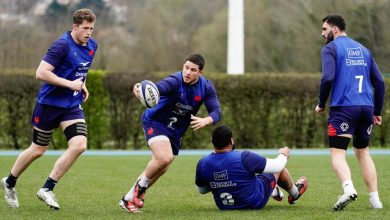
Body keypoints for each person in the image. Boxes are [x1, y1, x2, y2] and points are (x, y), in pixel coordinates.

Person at [1, 8, 97, 210]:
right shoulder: (61, 45)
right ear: (75, 27)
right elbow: (41, 73)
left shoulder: (92, 46)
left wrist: (82, 84)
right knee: (38, 150)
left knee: (79, 145)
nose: (89, 32)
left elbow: (80, 70)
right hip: (49, 105)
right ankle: (9, 182)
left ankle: (47, 188)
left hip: (71, 106)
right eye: (85, 28)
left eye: (92, 28)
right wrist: (70, 84)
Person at [119, 53, 222, 213]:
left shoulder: (206, 87)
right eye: (186, 67)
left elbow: (216, 111)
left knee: (163, 166)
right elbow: (156, 89)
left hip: (176, 130)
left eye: (193, 70)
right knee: (164, 157)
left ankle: (128, 197)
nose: (187, 72)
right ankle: (140, 189)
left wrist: (206, 120)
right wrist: (141, 88)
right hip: (156, 121)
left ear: (200, 72)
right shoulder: (175, 81)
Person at [315, 15, 385, 211]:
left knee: (338, 153)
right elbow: (379, 82)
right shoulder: (364, 50)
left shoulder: (331, 49)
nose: (322, 33)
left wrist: (321, 103)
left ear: (335, 29)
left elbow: (327, 78)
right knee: (363, 152)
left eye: (324, 29)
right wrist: (377, 111)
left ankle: (348, 189)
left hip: (344, 108)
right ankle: (375, 201)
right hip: (366, 107)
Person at [195, 125, 308, 210]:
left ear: (212, 142)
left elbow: (202, 190)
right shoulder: (245, 157)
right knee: (278, 170)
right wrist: (284, 154)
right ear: (231, 141)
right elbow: (277, 166)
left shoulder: (202, 163)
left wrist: (221, 181)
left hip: (224, 206)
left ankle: (274, 190)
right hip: (254, 202)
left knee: (253, 177)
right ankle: (295, 193)